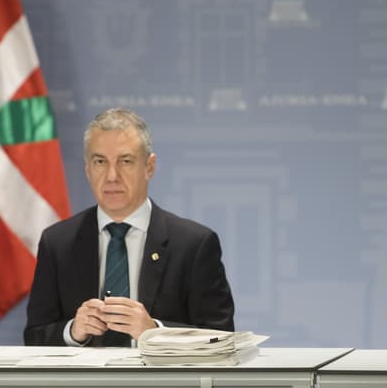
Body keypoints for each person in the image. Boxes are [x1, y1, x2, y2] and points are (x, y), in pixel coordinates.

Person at [24, 108, 235, 346]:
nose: (112, 176)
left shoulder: (194, 245)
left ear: (149, 167)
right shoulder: (58, 243)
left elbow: (221, 338)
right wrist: (72, 331)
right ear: (87, 170)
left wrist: (155, 331)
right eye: (100, 162)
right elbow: (34, 337)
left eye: (125, 161)